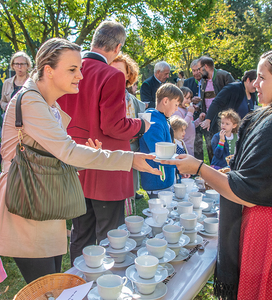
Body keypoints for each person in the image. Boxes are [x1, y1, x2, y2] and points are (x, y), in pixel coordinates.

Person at [0, 38, 160, 284]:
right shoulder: (32, 100)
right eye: (73, 70)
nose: (80, 76)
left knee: (54, 285)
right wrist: (129, 159)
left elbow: (62, 158)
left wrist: (87, 156)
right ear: (49, 71)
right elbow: (68, 153)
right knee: (45, 289)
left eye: (80, 69)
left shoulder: (46, 103)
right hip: (26, 206)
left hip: (44, 203)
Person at [161, 48, 272, 300]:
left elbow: (248, 191)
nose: (255, 84)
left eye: (262, 77)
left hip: (271, 228)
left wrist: (199, 168)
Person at [57, 21, 151, 266]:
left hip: (74, 160)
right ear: (118, 47)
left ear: (94, 40)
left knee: (81, 231)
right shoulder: (111, 75)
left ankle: (77, 284)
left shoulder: (68, 71)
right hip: (105, 165)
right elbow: (114, 125)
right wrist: (141, 125)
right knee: (110, 235)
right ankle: (107, 284)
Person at [111, 53, 146, 200]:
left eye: (120, 71)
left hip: (132, 149)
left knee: (129, 195)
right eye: (111, 70)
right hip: (112, 152)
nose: (114, 74)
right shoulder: (105, 98)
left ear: (128, 74)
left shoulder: (134, 102)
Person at [140, 83, 182, 198]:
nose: (177, 109)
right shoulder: (153, 123)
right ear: (165, 101)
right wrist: (180, 166)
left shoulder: (162, 119)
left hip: (164, 181)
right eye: (176, 104)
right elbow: (160, 154)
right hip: (157, 182)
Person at [193, 55, 235, 162]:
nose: (198, 72)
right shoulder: (203, 81)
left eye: (199, 69)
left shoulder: (224, 76)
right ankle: (213, 170)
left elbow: (235, 95)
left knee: (224, 147)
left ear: (206, 66)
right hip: (208, 120)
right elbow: (205, 100)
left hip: (222, 120)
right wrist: (201, 110)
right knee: (211, 146)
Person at [201, 70, 257, 134]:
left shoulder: (253, 94)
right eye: (255, 82)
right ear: (248, 80)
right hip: (228, 131)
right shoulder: (232, 88)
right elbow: (216, 103)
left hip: (243, 132)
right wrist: (208, 119)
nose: (257, 85)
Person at [172, 86, 202, 156]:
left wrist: (200, 119)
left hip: (191, 142)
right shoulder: (177, 111)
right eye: (187, 98)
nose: (189, 101)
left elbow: (191, 124)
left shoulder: (187, 109)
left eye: (190, 98)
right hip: (184, 142)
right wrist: (190, 113)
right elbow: (182, 125)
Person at [170, 115, 189, 182]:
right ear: (174, 131)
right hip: (176, 172)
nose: (184, 132)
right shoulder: (172, 143)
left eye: (184, 130)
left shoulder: (181, 142)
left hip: (183, 171)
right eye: (182, 130)